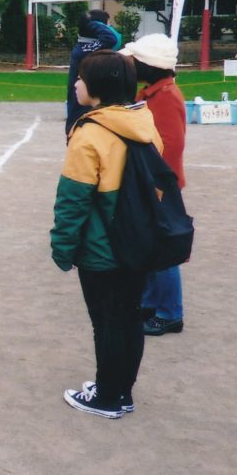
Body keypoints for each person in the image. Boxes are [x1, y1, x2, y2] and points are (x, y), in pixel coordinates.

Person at [51, 50, 163, 419]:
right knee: (129, 317)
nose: (76, 84)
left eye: (81, 78)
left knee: (107, 323)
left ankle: (107, 397)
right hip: (139, 240)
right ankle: (121, 390)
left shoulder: (90, 134)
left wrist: (62, 248)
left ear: (97, 86)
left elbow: (72, 201)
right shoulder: (144, 122)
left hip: (102, 248)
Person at [120, 33, 187, 336]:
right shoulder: (151, 94)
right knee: (149, 245)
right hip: (151, 183)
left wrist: (156, 185)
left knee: (163, 250)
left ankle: (170, 312)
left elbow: (171, 146)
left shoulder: (166, 97)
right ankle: (150, 302)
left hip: (159, 185)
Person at [65, 10, 122, 135]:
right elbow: (111, 39)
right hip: (82, 115)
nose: (110, 27)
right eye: (107, 25)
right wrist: (91, 23)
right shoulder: (84, 49)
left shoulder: (87, 47)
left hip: (87, 112)